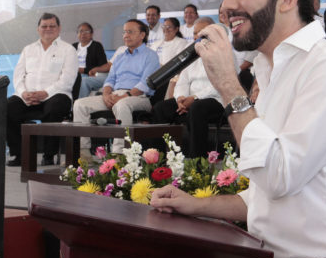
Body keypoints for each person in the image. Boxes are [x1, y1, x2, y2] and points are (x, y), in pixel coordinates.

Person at [151, 0, 326, 258]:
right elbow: (265, 197)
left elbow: (280, 176)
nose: (226, 6)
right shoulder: (270, 70)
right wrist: (195, 205)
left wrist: (228, 84)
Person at [72, 19, 160, 153]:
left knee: (122, 105)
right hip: (115, 94)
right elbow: (110, 80)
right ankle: (83, 151)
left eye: (130, 32)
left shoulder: (151, 56)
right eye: (124, 32)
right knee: (79, 105)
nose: (125, 35)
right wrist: (106, 94)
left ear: (142, 35)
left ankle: (120, 153)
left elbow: (145, 84)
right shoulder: (119, 57)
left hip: (139, 97)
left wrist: (124, 96)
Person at [6, 13, 77, 167]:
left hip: (56, 94)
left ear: (59, 29)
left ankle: (48, 155)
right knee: (8, 107)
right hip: (28, 96)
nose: (48, 29)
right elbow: (18, 75)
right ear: (38, 29)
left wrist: (46, 93)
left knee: (55, 106)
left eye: (52, 26)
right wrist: (23, 93)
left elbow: (67, 79)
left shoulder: (68, 49)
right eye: (44, 26)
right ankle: (20, 155)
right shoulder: (28, 49)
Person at [151, 18, 228, 158]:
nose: (197, 36)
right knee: (160, 109)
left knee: (197, 108)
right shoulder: (191, 55)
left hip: (216, 100)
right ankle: (159, 160)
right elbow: (182, 81)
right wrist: (180, 98)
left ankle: (196, 162)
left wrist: (195, 98)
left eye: (201, 32)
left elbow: (222, 84)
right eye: (195, 33)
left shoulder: (225, 53)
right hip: (189, 101)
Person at [73, 22, 108, 99]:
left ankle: (76, 105)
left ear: (92, 34)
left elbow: (103, 65)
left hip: (87, 75)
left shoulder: (96, 46)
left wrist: (83, 70)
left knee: (81, 80)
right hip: (73, 74)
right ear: (77, 34)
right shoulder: (73, 46)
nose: (83, 34)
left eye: (87, 31)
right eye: (81, 31)